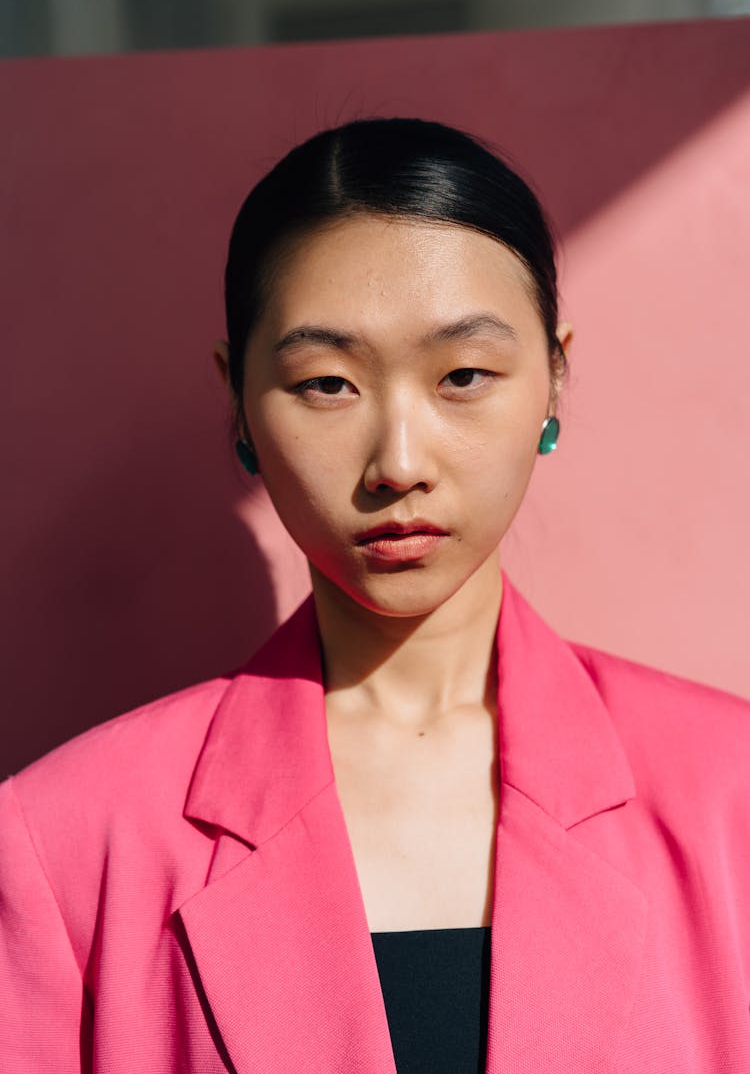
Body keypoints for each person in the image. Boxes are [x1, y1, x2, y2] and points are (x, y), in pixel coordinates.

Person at [1, 116, 748, 1074]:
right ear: (237, 400)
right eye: (326, 384)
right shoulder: (67, 842)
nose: (399, 462)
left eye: (464, 375)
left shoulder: (733, 797)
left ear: (555, 375)